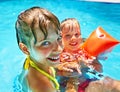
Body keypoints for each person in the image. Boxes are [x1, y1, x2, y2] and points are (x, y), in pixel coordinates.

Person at [15, 6, 63, 92]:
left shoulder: (33, 60)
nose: (59, 49)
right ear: (25, 49)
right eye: (45, 43)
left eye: (59, 38)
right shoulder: (43, 87)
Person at [56, 18, 103, 92]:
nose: (73, 38)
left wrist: (90, 63)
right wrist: (62, 69)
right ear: (61, 37)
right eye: (68, 35)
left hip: (86, 78)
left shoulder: (86, 50)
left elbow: (100, 70)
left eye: (77, 34)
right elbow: (52, 69)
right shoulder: (58, 52)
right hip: (64, 82)